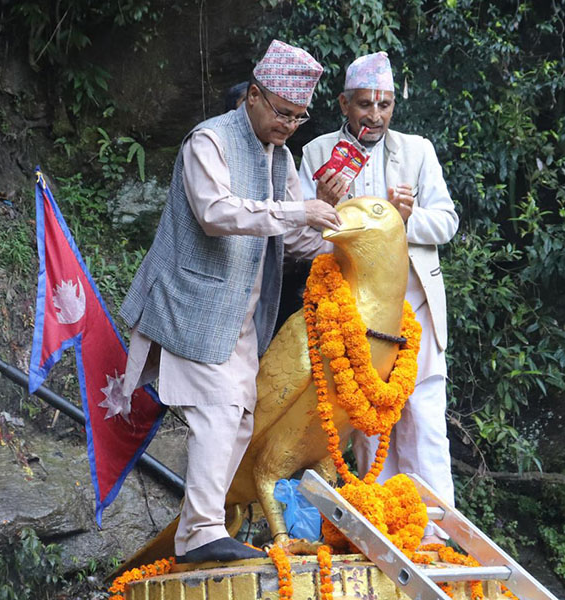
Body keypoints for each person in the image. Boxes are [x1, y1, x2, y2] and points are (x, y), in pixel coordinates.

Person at [117, 40, 338, 564]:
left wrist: (336, 227)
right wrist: (299, 212)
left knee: (238, 419)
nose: (288, 125)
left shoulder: (280, 157)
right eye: (282, 113)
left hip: (241, 318)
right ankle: (201, 533)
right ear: (254, 97)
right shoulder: (208, 140)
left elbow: (293, 239)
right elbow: (216, 212)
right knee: (218, 413)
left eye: (298, 118)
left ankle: (202, 529)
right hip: (191, 302)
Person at [297, 51, 459, 545]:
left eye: (384, 105)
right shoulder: (315, 153)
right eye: (365, 104)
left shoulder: (417, 150)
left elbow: (447, 221)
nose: (375, 115)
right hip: (354, 317)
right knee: (370, 424)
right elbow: (304, 238)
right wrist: (324, 205)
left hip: (416, 312)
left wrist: (403, 221)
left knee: (426, 419)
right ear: (344, 103)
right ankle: (388, 537)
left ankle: (439, 537)